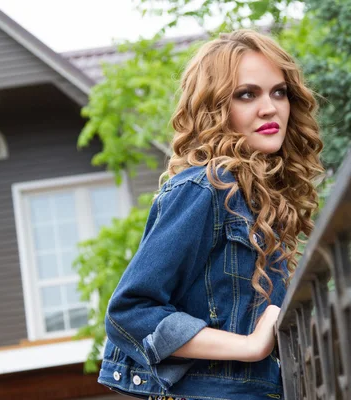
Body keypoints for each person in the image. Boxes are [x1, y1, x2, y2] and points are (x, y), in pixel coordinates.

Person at [97, 29, 324, 400]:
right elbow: (131, 309)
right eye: (247, 94)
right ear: (214, 106)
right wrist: (250, 346)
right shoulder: (207, 188)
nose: (269, 107)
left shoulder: (261, 199)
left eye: (278, 92)